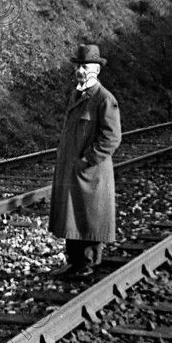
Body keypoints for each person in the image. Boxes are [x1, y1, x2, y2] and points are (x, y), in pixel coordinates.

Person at [49, 44, 122, 278]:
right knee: (72, 216)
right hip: (73, 170)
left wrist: (87, 160)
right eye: (78, 66)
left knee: (90, 217)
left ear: (97, 70)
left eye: (85, 66)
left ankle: (88, 264)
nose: (80, 70)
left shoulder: (104, 99)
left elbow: (112, 138)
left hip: (91, 172)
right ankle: (74, 262)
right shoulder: (77, 94)